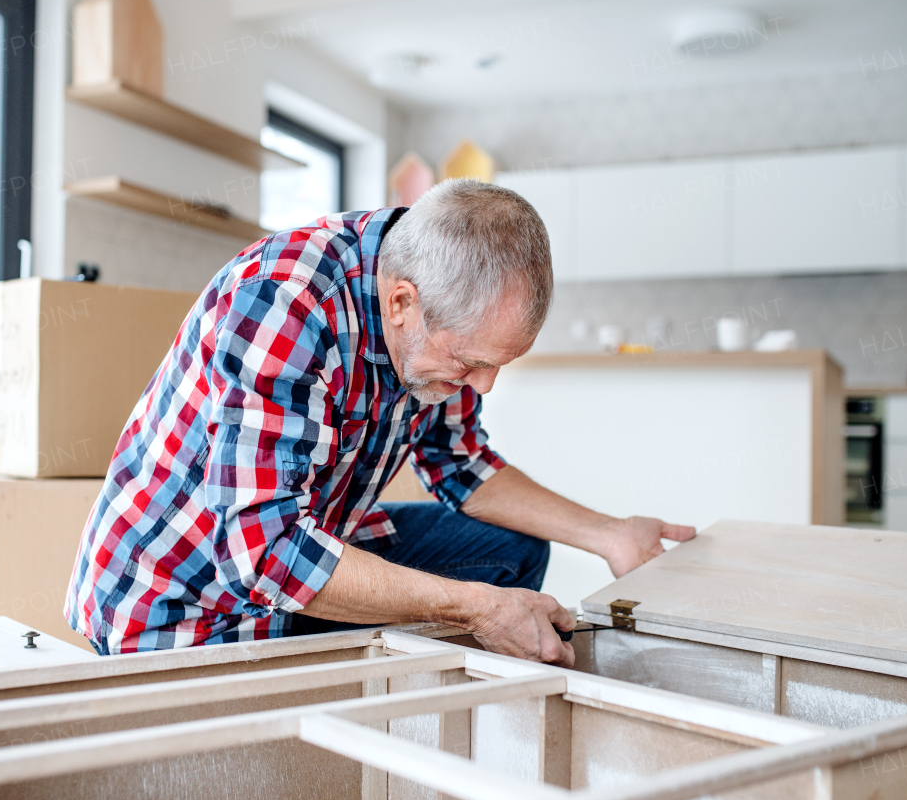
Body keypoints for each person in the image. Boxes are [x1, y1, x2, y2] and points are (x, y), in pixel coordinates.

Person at [65, 178, 694, 666]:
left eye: (499, 365)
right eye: (472, 363)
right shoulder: (282, 301)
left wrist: (608, 534)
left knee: (509, 553)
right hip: (185, 604)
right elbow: (266, 554)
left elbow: (461, 465)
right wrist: (475, 609)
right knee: (484, 602)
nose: (484, 386)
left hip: (295, 562)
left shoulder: (436, 304)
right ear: (401, 303)